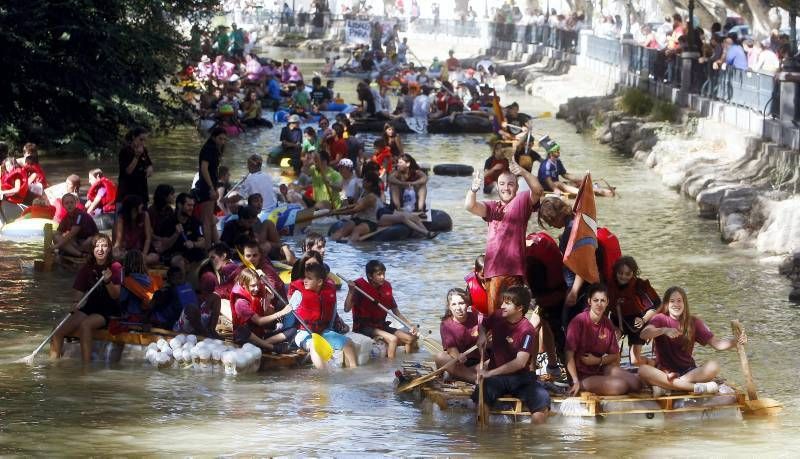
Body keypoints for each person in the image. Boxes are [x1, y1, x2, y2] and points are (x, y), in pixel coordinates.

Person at [465, 157, 543, 315]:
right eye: (502, 184)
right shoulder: (492, 207)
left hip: (514, 271)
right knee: (495, 317)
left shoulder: (521, 201)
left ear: (516, 187)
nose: (506, 188)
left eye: (510, 184)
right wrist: (473, 190)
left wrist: (522, 171)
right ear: (497, 186)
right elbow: (470, 206)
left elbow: (538, 190)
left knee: (514, 315)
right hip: (493, 271)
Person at [638, 286, 746, 396]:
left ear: (684, 303)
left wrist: (736, 341)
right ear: (666, 304)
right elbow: (644, 334)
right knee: (642, 370)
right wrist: (664, 330)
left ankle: (670, 387)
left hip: (688, 373)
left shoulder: (694, 322)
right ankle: (695, 387)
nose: (676, 304)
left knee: (714, 366)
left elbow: (718, 345)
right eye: (672, 301)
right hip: (665, 373)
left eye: (679, 301)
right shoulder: (659, 318)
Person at [473, 286, 550, 424]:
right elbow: (483, 325)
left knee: (542, 400)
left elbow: (520, 362)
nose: (502, 306)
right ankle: (483, 439)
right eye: (503, 302)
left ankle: (533, 440)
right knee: (482, 396)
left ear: (520, 308)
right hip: (497, 378)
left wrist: (490, 373)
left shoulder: (527, 330)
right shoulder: (497, 316)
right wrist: (482, 335)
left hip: (521, 378)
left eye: (507, 303)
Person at [49, 234, 122, 363]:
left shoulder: (115, 267)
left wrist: (108, 281)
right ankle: (53, 365)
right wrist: (75, 303)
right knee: (58, 329)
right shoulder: (87, 268)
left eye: (104, 246)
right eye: (97, 246)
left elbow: (116, 295)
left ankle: (85, 367)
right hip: (90, 307)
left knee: (86, 325)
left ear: (109, 249)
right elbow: (78, 292)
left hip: (108, 310)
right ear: (92, 250)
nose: (100, 249)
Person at [565, 284, 642, 396]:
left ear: (607, 302)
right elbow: (568, 355)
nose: (599, 304)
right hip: (581, 375)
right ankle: (580, 386)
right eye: (596, 300)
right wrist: (575, 380)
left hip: (599, 368)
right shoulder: (578, 322)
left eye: (602, 300)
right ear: (589, 301)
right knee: (621, 386)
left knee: (636, 384)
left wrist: (597, 360)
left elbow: (615, 355)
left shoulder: (607, 323)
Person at [344, 260, 418, 358]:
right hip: (364, 327)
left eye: (383, 274)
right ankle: (390, 370)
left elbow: (396, 313)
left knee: (410, 338)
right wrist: (351, 291)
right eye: (379, 274)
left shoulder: (386, 287)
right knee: (393, 339)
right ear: (370, 276)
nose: (382, 277)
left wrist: (410, 325)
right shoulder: (359, 288)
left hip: (381, 325)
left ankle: (408, 364)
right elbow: (346, 309)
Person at [289, 263, 358, 369]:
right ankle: (322, 376)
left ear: (320, 282)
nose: (305, 281)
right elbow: (288, 315)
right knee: (314, 346)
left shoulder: (328, 293)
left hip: (323, 331)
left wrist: (331, 330)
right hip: (303, 332)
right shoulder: (299, 294)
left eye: (309, 278)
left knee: (348, 343)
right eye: (304, 278)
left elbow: (332, 314)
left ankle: (354, 370)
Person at [607, 256, 660, 366]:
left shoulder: (639, 286)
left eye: (628, 274)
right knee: (608, 350)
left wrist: (645, 321)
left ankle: (653, 362)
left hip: (637, 324)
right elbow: (602, 310)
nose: (623, 276)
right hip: (617, 322)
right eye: (620, 273)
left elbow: (655, 307)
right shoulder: (608, 286)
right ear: (615, 272)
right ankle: (616, 371)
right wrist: (612, 327)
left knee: (635, 361)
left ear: (633, 274)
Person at [230, 267, 295, 352]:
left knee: (292, 330)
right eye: (253, 286)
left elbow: (263, 312)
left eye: (257, 284)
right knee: (242, 330)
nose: (256, 288)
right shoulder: (240, 303)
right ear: (243, 285)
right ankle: (272, 348)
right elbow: (259, 321)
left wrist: (268, 298)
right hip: (245, 337)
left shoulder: (253, 292)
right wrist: (281, 313)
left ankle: (261, 345)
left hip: (259, 335)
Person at [435, 288, 480, 383]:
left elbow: (485, 330)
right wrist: (458, 356)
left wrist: (485, 337)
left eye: (461, 303)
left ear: (467, 304)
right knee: (440, 357)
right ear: (449, 307)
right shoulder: (446, 324)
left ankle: (460, 376)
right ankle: (474, 378)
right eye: (454, 304)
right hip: (458, 363)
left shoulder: (476, 317)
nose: (458, 308)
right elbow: (451, 349)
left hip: (478, 362)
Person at [195, 127, 227, 243]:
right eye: (220, 138)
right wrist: (211, 188)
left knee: (211, 219)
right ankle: (208, 250)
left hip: (210, 186)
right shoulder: (209, 148)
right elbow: (204, 169)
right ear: (213, 137)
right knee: (207, 220)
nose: (222, 142)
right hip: (206, 187)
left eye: (224, 139)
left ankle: (217, 245)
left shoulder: (214, 149)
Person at [158, 192, 207, 268]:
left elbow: (203, 243)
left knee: (207, 258)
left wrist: (193, 244)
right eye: (189, 205)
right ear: (179, 205)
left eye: (193, 205)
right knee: (179, 261)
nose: (191, 208)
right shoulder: (168, 222)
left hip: (191, 253)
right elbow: (163, 247)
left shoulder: (194, 221)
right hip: (173, 254)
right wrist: (176, 234)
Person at [113, 195, 158, 265]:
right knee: (115, 256)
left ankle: (133, 263)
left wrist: (144, 254)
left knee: (154, 258)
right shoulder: (121, 218)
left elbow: (148, 238)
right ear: (133, 208)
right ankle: (134, 263)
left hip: (141, 249)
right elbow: (118, 241)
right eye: (140, 204)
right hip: (127, 251)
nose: (142, 205)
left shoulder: (145, 215)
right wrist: (116, 251)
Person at [174, 271, 221, 338]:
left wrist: (214, 336)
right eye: (205, 290)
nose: (206, 295)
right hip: (185, 332)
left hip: (203, 333)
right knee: (191, 308)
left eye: (208, 291)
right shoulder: (192, 296)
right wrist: (206, 336)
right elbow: (195, 323)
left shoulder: (216, 299)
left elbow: (212, 328)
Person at [117, 127, 153, 207]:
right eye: (141, 139)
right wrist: (136, 156)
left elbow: (149, 164)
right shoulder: (125, 151)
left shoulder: (144, 150)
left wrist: (150, 169)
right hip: (127, 192)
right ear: (134, 137)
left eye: (144, 140)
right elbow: (128, 171)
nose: (142, 143)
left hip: (141, 191)